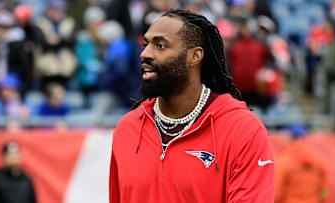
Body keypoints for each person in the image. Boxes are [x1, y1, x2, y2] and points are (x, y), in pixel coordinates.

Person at [109, 9, 274, 203]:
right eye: (146, 44)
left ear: (194, 56)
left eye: (160, 46)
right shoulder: (127, 128)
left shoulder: (243, 129)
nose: (145, 54)